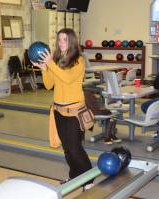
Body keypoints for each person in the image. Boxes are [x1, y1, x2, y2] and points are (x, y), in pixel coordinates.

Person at [31, 28, 93, 190]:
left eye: (64, 40)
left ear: (71, 41)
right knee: (67, 149)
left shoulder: (79, 60)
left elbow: (66, 78)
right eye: (59, 40)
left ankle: (88, 180)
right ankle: (75, 176)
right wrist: (44, 69)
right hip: (59, 111)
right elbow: (49, 84)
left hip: (74, 111)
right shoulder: (57, 60)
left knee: (75, 147)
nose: (61, 43)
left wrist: (50, 63)